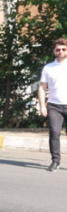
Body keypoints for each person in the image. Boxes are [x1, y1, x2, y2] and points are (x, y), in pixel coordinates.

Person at [38, 38, 67, 171]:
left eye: (63, 49)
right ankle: (55, 161)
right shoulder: (48, 68)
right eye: (58, 49)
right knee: (54, 133)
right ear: (54, 51)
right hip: (54, 106)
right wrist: (42, 105)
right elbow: (42, 87)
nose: (61, 51)